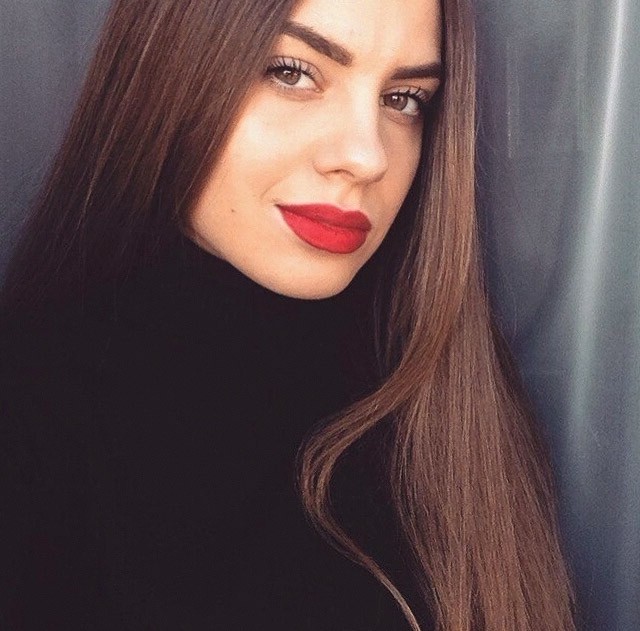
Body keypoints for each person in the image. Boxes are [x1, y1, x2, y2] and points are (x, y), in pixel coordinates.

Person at [0, 0, 576, 629]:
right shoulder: (33, 415)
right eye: (292, 72)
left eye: (403, 98)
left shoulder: (457, 409)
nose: (367, 156)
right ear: (168, 68)